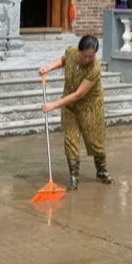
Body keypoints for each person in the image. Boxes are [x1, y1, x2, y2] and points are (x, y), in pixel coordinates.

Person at [39, 35, 112, 191]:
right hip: (70, 108)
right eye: (84, 55)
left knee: (94, 141)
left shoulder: (94, 69)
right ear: (79, 50)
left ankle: (102, 171)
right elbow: (63, 60)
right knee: (70, 139)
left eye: (90, 57)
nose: (86, 59)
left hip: (90, 107)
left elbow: (79, 95)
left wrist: (53, 105)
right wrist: (48, 68)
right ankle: (74, 178)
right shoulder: (72, 53)